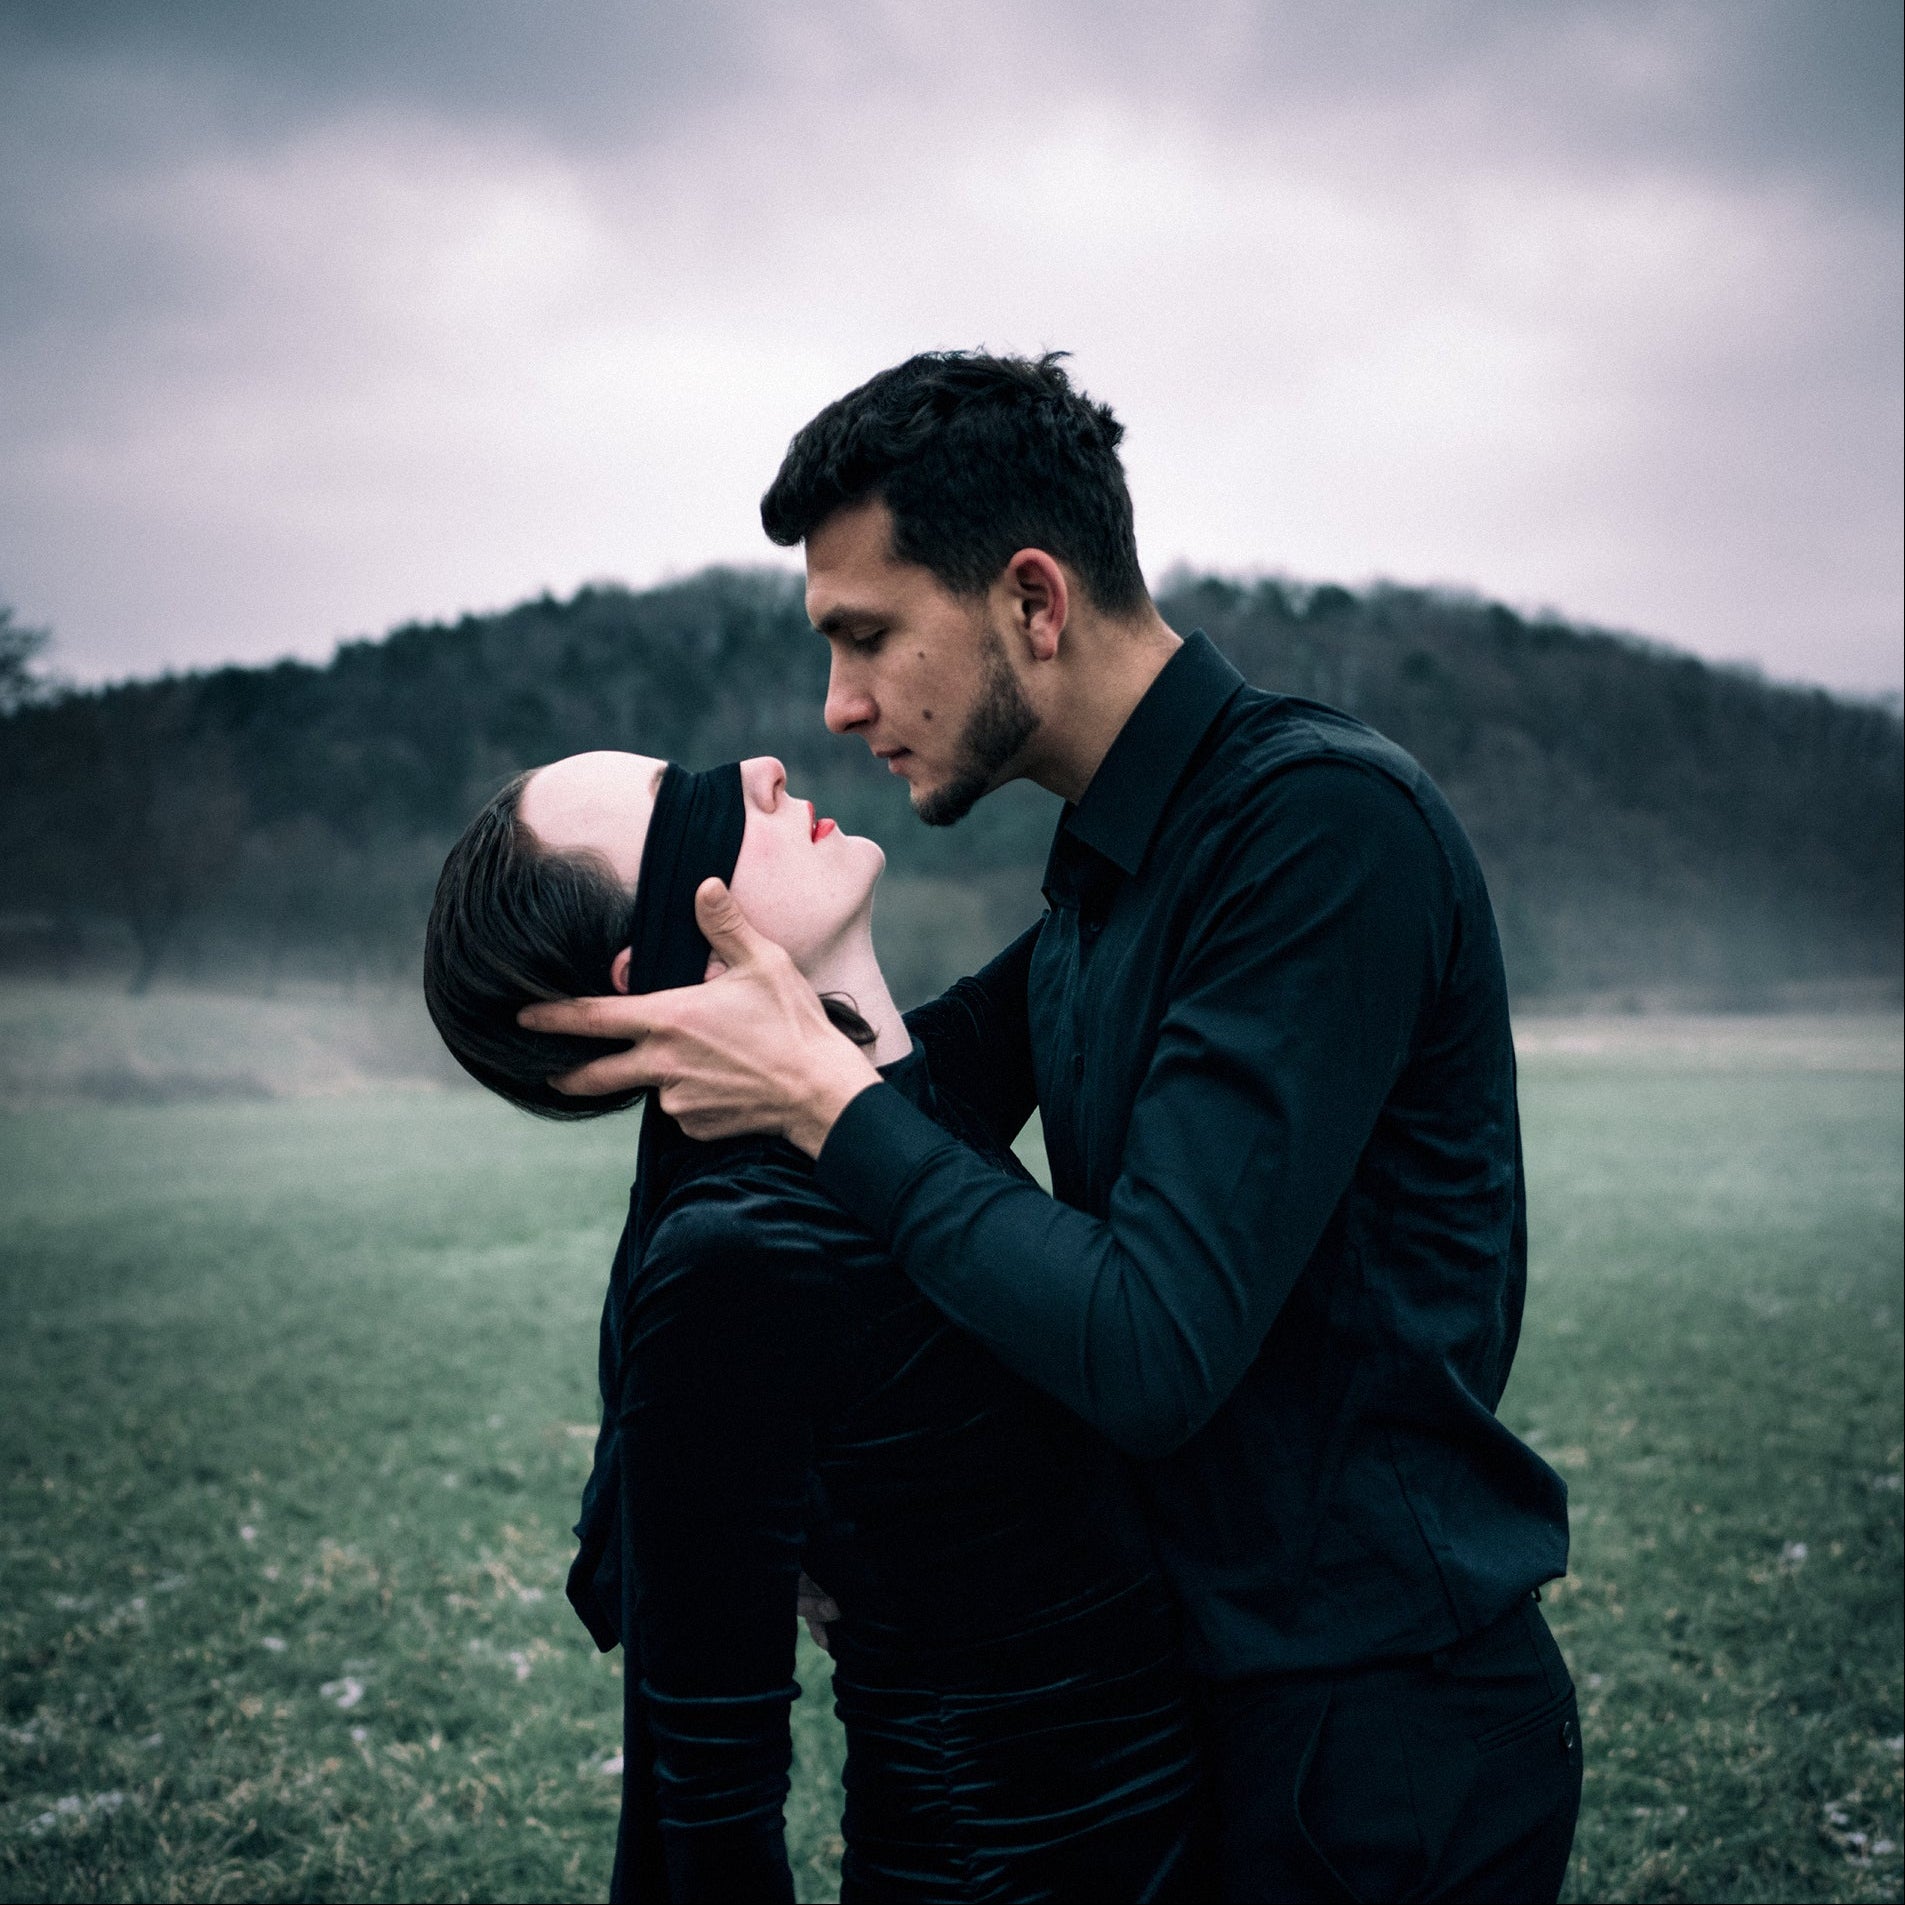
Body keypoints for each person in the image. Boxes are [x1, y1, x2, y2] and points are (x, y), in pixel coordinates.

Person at [521, 352, 1585, 1902]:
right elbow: (916, 1094)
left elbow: (1149, 1342)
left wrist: (818, 1096)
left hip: (1372, 1741)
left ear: (1032, 599)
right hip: (1198, 1722)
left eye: (866, 635)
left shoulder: (1315, 831)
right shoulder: (1112, 869)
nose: (838, 706)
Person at [423, 748, 1207, 1904]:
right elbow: (711, 1797)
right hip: (994, 1877)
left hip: (1184, 1833)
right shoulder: (733, 1253)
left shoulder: (909, 1099)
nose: (762, 768)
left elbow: (1140, 895)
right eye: (685, 810)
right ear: (660, 976)